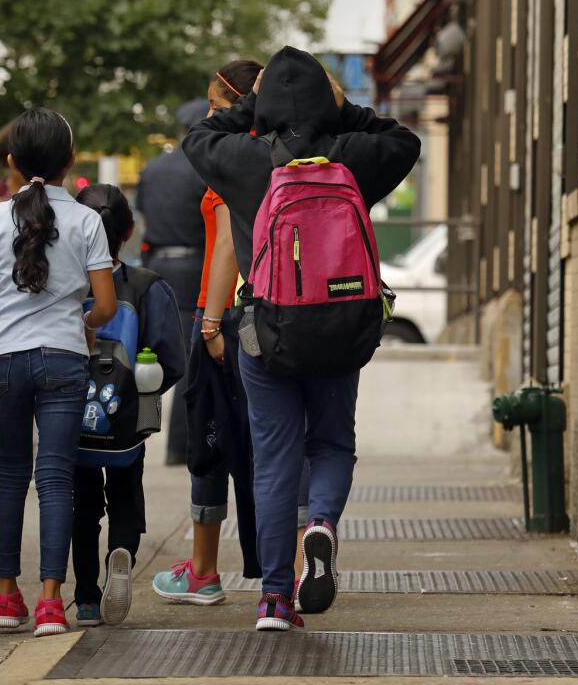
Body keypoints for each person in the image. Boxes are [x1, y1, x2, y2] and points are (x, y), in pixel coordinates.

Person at [183, 46, 420, 631]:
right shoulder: (355, 156)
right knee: (334, 445)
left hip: (267, 331)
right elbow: (405, 140)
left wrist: (251, 110)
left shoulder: (244, 159)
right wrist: (347, 112)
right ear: (327, 99)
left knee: (273, 461)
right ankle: (322, 526)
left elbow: (197, 136)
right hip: (341, 328)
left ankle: (273, 599)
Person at [153, 60, 310, 606]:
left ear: (239, 102)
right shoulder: (283, 153)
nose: (211, 116)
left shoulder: (233, 159)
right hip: (280, 310)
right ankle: (290, 568)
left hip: (228, 313)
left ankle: (204, 571)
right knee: (284, 442)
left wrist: (212, 322)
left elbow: (224, 246)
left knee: (212, 443)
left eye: (217, 106)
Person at [0, 107, 117, 638]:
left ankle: (6, 595)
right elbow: (105, 304)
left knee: (10, 474)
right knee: (55, 478)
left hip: (3, 360)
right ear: (70, 161)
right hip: (64, 359)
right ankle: (52, 601)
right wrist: (84, 323)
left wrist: (2, 324)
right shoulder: (88, 221)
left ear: (11, 161)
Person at [70, 184, 187, 628]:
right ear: (130, 231)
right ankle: (122, 553)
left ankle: (84, 596)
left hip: (73, 413)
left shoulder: (63, 284)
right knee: (124, 493)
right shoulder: (147, 287)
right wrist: (145, 398)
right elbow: (173, 359)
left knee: (82, 505)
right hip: (126, 417)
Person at [136, 134, 208, 466]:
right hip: (194, 267)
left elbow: (145, 222)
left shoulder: (152, 169)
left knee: (155, 351)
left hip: (156, 266)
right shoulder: (202, 169)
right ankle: (180, 444)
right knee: (190, 357)